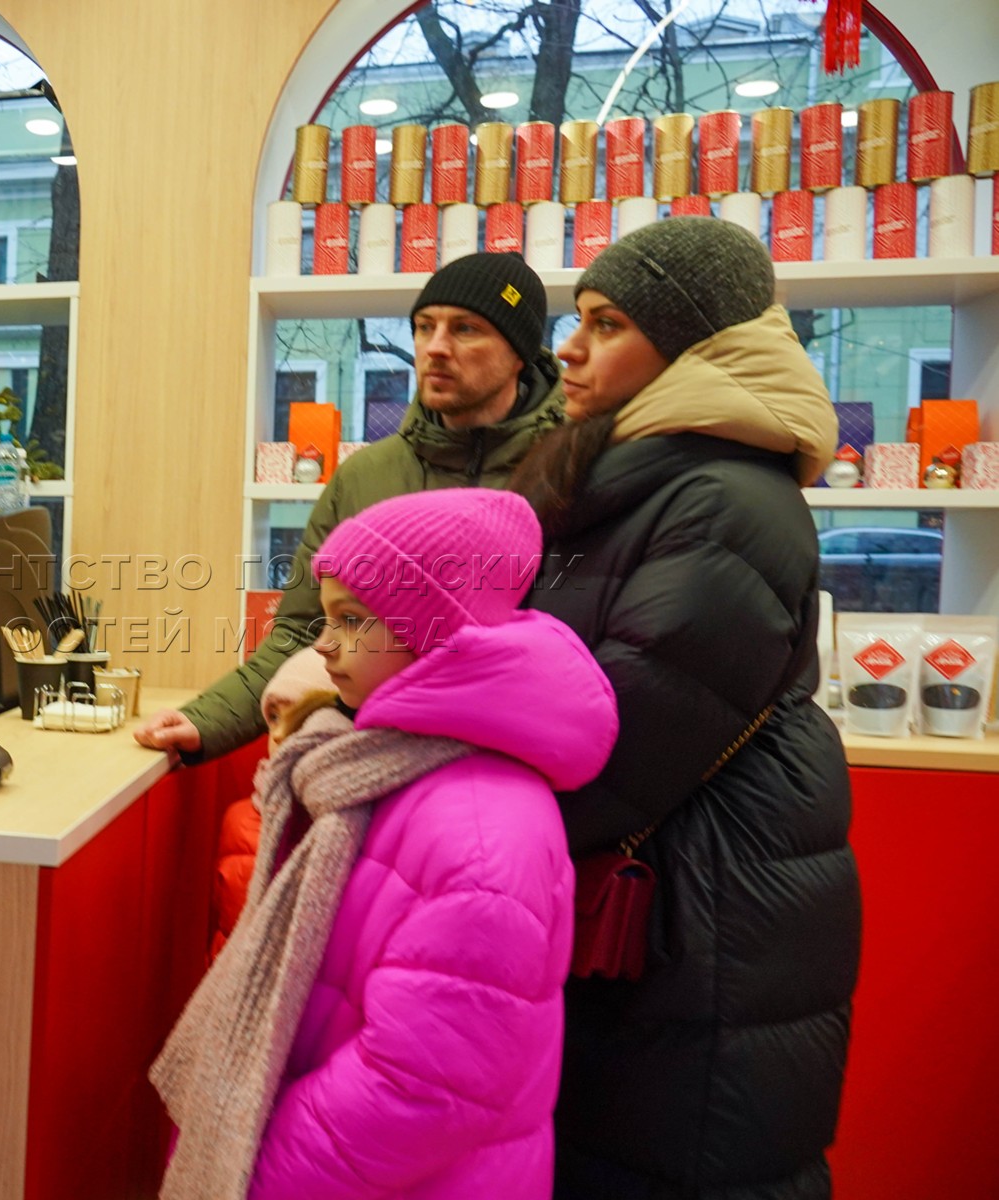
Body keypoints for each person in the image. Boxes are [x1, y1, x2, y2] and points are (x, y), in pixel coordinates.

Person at [506, 217, 859, 1200]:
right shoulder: (628, 481)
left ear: (693, 347)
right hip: (664, 899)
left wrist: (437, 800)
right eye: (575, 320)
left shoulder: (723, 501)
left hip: (701, 913)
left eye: (606, 324)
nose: (568, 349)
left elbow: (619, 733)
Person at [152, 489, 619, 1200]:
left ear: (437, 633)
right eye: (326, 617)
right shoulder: (385, 767)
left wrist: (257, 1171)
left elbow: (423, 1088)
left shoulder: (478, 835)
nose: (322, 644)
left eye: (351, 619)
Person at [136, 251, 565, 761]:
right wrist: (205, 719)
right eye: (424, 327)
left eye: (465, 329)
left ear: (519, 353)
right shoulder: (365, 476)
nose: (436, 347)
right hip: (374, 760)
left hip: (521, 762)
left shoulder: (571, 470)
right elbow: (302, 629)